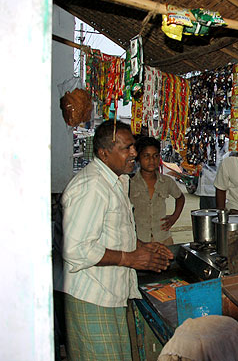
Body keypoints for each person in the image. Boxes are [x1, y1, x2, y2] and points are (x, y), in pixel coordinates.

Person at [61, 120, 173, 360]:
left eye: (133, 146)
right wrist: (129, 258)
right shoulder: (93, 186)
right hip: (92, 298)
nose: (134, 153)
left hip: (110, 295)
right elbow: (76, 249)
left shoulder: (118, 180)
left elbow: (110, 233)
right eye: (127, 148)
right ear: (104, 153)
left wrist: (141, 246)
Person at [130, 137, 185, 245]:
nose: (151, 160)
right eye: (146, 156)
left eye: (155, 156)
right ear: (138, 158)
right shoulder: (130, 183)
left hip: (163, 239)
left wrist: (174, 217)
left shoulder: (166, 181)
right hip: (139, 240)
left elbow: (180, 198)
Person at [195, 139, 229, 209]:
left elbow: (223, 164)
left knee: (216, 216)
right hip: (203, 190)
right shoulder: (203, 140)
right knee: (204, 216)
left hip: (214, 190)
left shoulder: (225, 142)